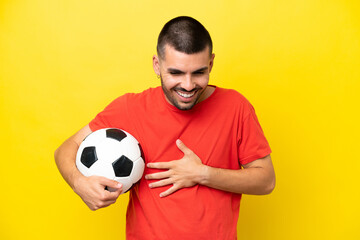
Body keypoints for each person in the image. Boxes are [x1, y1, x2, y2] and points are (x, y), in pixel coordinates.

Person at [54, 16, 275, 240]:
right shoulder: (130, 108)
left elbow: (266, 181)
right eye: (176, 73)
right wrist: (79, 183)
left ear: (210, 63)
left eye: (198, 72)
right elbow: (67, 147)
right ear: (157, 66)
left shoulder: (236, 107)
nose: (188, 85)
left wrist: (202, 174)